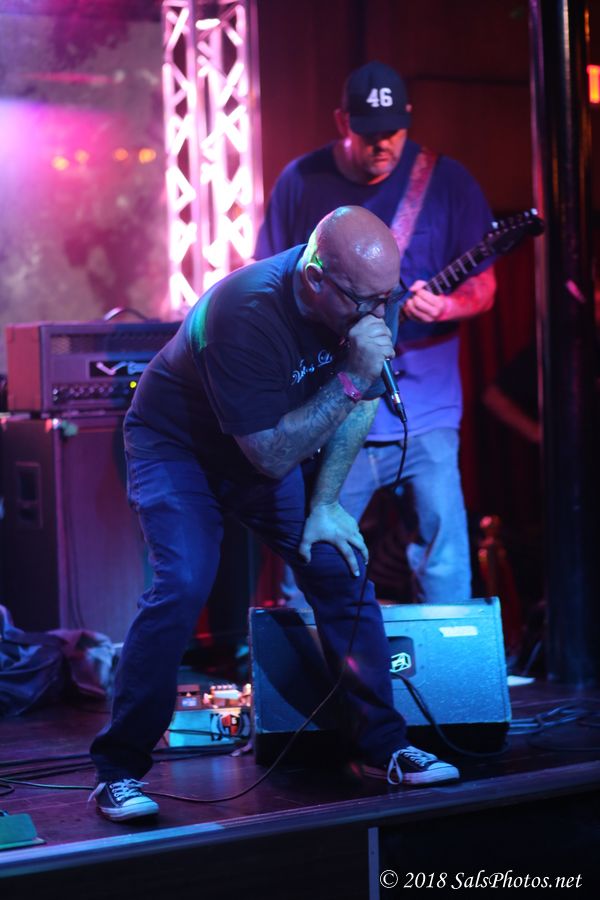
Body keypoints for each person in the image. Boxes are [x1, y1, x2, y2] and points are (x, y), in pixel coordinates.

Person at [89, 206, 459, 823]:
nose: (378, 314)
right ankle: (117, 771)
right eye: (364, 303)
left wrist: (326, 504)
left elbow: (362, 402)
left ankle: (385, 747)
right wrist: (352, 376)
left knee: (340, 564)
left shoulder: (371, 291)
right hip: (180, 449)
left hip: (267, 444)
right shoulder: (243, 312)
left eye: (386, 299)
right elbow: (271, 455)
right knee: (183, 584)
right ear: (315, 278)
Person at [256, 61, 497, 604]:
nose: (382, 143)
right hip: (333, 401)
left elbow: (486, 287)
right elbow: (269, 282)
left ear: (408, 118)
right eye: (368, 133)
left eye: (393, 130)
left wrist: (447, 305)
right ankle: (304, 651)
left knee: (443, 556)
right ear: (342, 121)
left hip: (426, 409)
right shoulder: (301, 180)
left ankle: (447, 655)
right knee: (311, 556)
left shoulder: (447, 181)